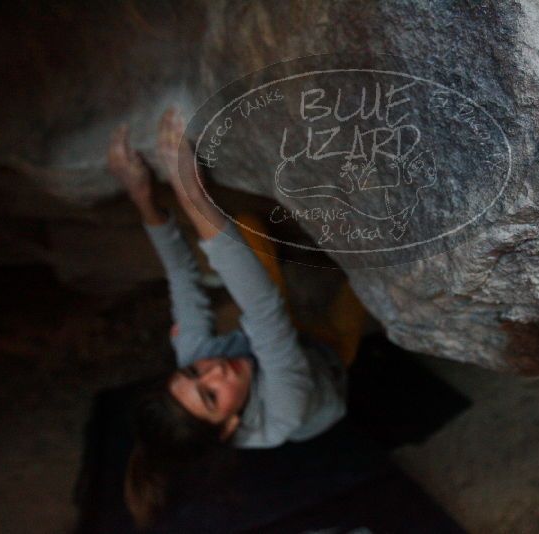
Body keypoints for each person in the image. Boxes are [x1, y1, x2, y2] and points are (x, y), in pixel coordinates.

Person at [107, 108, 368, 528]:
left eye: (194, 371)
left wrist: (141, 196)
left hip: (276, 336)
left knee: (245, 227)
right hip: (327, 358)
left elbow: (182, 279)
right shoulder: (285, 412)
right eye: (211, 395)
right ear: (229, 427)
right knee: (365, 279)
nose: (214, 371)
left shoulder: (206, 364)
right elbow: (264, 313)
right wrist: (190, 190)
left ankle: (285, 239)